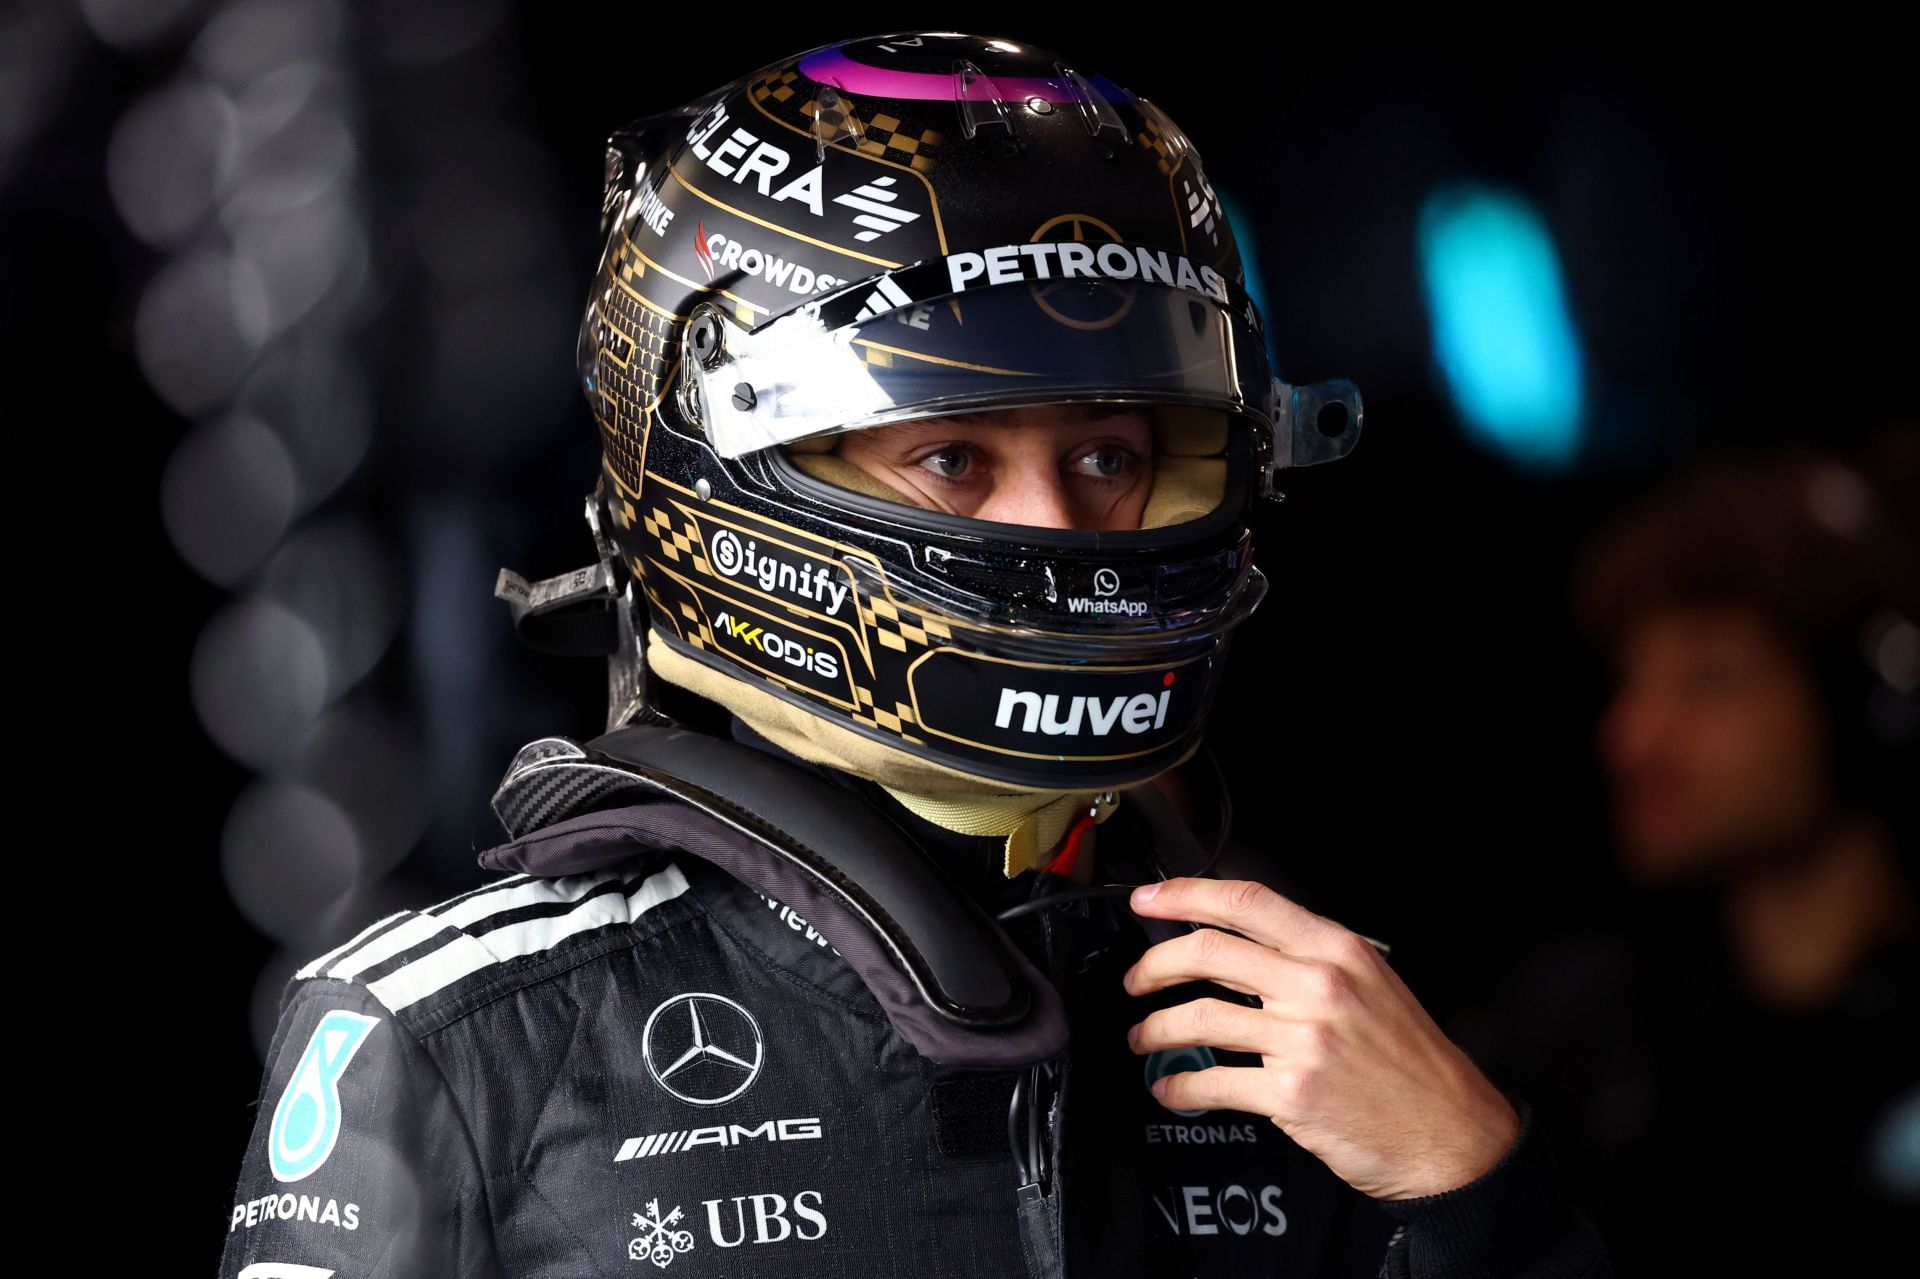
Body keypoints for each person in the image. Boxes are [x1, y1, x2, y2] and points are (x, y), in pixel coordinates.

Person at [215, 33, 1613, 1277]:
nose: (1055, 526)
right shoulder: (463, 1035)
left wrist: (1474, 1187)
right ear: (719, 470)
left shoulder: (1319, 1023)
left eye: (1111, 456)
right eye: (954, 457)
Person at [1448, 426, 1920, 1275]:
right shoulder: (1574, 1029)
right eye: (1633, 685)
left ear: (1865, 707)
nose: (1632, 737)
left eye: (1708, 680)